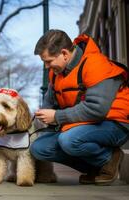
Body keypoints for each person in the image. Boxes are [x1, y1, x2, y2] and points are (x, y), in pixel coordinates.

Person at [30, 29, 129, 186]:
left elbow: (97, 110)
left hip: (115, 124)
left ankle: (109, 158)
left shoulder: (96, 65)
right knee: (38, 148)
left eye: (49, 61)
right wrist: (43, 117)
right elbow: (49, 102)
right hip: (83, 124)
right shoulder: (56, 73)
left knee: (69, 140)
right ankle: (96, 168)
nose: (46, 66)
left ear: (64, 53)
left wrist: (56, 117)